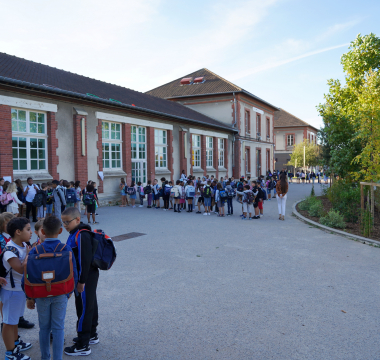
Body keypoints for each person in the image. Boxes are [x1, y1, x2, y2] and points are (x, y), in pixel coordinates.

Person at [25, 216, 78, 360]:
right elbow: (74, 273)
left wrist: (29, 297)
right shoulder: (65, 248)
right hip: (60, 293)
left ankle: (45, 357)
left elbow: (28, 275)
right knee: (58, 327)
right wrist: (69, 292)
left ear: (42, 231)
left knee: (44, 328)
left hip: (41, 294)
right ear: (60, 231)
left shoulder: (35, 250)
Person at [62, 207, 100, 356]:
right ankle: (91, 334)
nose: (65, 225)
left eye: (67, 222)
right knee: (90, 304)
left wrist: (81, 282)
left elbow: (85, 260)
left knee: (83, 307)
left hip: (85, 277)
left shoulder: (81, 235)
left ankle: (83, 344)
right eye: (63, 222)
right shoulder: (74, 233)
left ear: (77, 220)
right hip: (84, 277)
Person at [1, 217, 32, 360]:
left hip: (19, 291)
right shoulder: (10, 250)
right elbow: (21, 269)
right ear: (18, 232)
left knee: (14, 320)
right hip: (11, 292)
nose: (31, 232)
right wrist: (28, 257)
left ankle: (15, 342)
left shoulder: (23, 245)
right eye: (28, 229)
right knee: (8, 322)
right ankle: (10, 353)